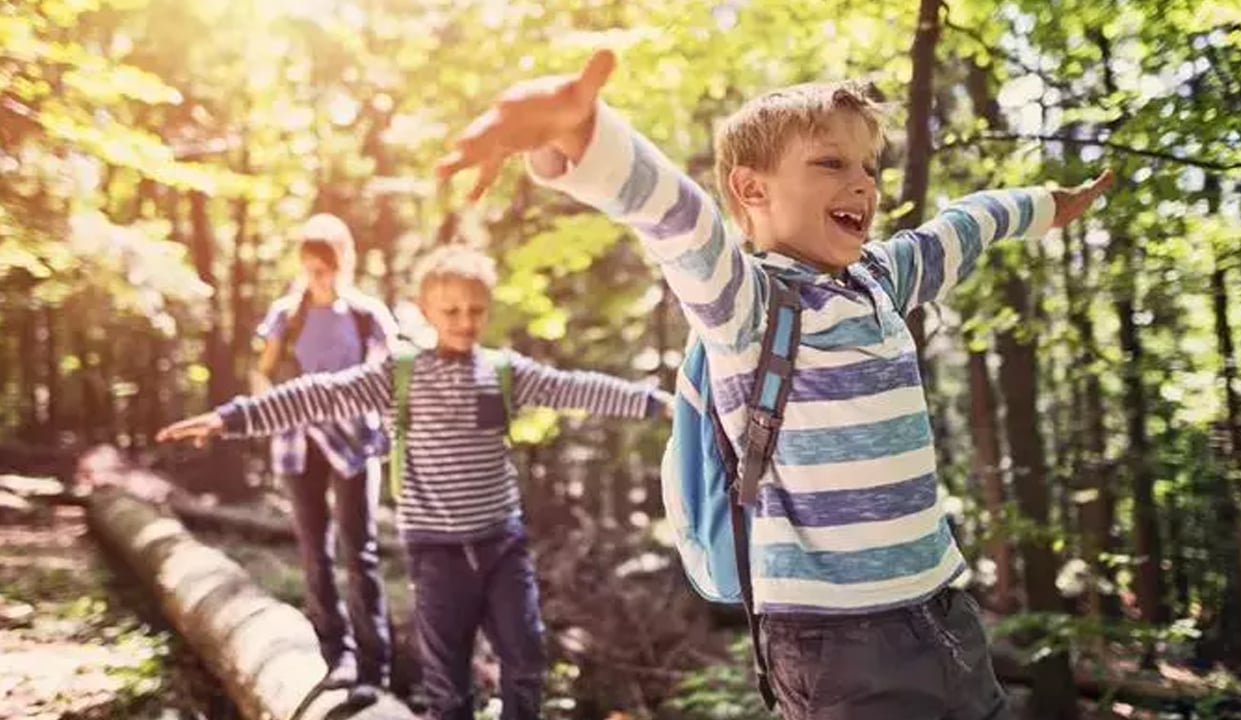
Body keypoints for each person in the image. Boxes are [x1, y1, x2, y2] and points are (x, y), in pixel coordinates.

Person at [434, 49, 1113, 719]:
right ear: (751, 190)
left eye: (868, 168)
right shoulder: (747, 306)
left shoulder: (881, 278)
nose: (864, 184)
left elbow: (964, 226)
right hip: (837, 643)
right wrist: (586, 136)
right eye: (830, 163)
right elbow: (680, 220)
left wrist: (1048, 204)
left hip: (942, 609)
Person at [159, 243, 673, 720]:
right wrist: (232, 418)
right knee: (448, 682)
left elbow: (574, 389)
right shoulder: (398, 375)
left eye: (475, 310)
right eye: (451, 311)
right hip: (437, 552)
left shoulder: (501, 373)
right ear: (426, 312)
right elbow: (317, 394)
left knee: (526, 660)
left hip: (502, 546)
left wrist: (655, 402)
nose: (464, 322)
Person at [250, 213, 397, 707]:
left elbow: (390, 378)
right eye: (312, 268)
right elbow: (263, 374)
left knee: (361, 552)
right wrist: (275, 409)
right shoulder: (285, 316)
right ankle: (338, 654)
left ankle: (375, 667)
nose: (320, 277)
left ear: (343, 263)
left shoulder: (367, 316)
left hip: (355, 447)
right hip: (298, 446)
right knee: (316, 550)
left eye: (328, 267)